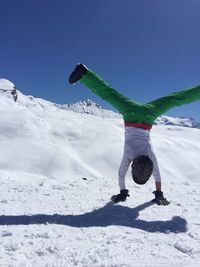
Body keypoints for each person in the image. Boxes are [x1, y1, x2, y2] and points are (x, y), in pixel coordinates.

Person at [68, 64, 200, 205]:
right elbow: (121, 174)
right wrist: (123, 192)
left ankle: (85, 73)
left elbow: (157, 174)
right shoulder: (129, 155)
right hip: (130, 113)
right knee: (108, 94)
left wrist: (159, 193)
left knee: (175, 99)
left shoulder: (150, 155)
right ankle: (84, 73)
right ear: (133, 167)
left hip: (149, 114)